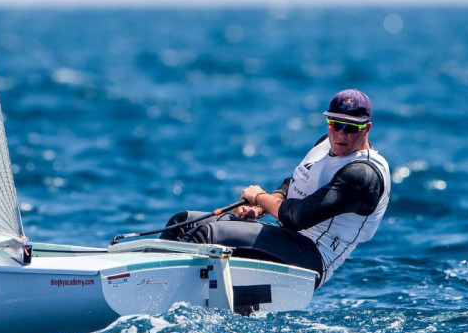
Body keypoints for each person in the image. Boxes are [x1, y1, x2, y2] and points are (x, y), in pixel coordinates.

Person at [160, 88, 390, 289]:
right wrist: (261, 208)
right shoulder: (326, 144)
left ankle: (158, 287)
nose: (340, 133)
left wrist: (260, 197)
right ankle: (143, 275)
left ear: (366, 128)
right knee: (184, 222)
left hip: (311, 258)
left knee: (207, 236)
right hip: (287, 239)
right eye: (335, 124)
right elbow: (296, 182)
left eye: (350, 127)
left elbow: (298, 218)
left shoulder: (362, 175)